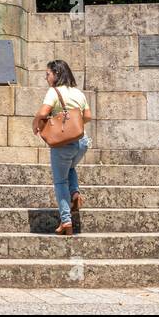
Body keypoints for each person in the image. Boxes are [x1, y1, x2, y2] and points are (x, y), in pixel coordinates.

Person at [32, 59, 92, 235]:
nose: (46, 78)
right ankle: (74, 193)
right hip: (81, 142)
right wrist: (74, 122)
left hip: (63, 144)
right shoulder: (78, 93)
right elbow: (87, 116)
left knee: (60, 181)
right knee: (70, 167)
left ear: (57, 74)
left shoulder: (53, 91)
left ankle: (66, 221)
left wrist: (35, 123)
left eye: (48, 74)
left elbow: (43, 113)